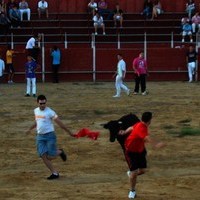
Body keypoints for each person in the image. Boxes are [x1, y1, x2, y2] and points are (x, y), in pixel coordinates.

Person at [26, 94, 74, 180]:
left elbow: (60, 123)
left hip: (50, 136)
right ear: (37, 103)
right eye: (41, 103)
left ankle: (60, 152)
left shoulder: (50, 112)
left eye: (44, 103)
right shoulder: (36, 111)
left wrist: (69, 132)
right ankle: (55, 173)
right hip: (40, 136)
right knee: (43, 156)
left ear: (46, 102)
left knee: (50, 156)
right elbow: (37, 121)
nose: (42, 105)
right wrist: (30, 128)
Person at [119, 112, 165, 199]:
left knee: (143, 170)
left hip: (140, 150)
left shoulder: (140, 124)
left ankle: (131, 174)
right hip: (131, 151)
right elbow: (146, 138)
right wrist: (156, 144)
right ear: (150, 120)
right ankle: (132, 191)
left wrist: (125, 132)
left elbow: (132, 128)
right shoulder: (142, 128)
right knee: (134, 173)